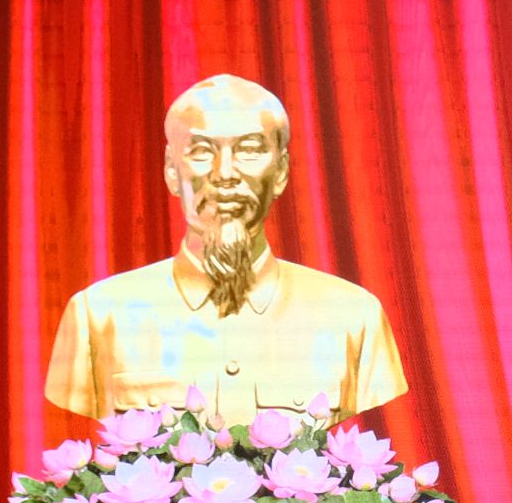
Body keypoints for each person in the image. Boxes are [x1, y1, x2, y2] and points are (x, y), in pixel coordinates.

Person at [43, 73, 408, 425]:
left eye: (249, 150)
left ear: (281, 171)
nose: (225, 173)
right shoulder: (99, 316)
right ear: (171, 170)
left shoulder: (352, 317)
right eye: (202, 151)